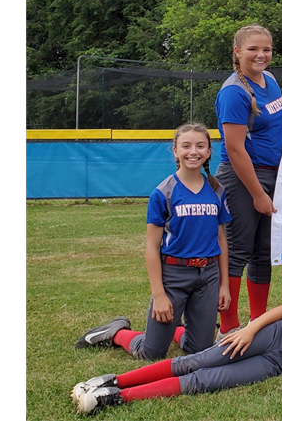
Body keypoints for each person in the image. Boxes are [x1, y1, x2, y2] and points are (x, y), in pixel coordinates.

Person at [70, 263, 282, 414]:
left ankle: (115, 398)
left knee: (206, 380)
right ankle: (111, 380)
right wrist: (249, 329)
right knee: (197, 360)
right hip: (273, 333)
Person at [76, 124, 232, 360]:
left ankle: (178, 330)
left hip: (207, 275)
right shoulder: (163, 192)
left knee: (199, 351)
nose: (194, 152)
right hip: (174, 275)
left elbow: (221, 238)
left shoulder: (217, 189)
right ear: (175, 151)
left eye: (201, 146)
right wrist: (159, 295)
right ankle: (117, 332)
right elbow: (152, 247)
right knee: (151, 352)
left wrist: (224, 285)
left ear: (209, 152)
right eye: (186, 146)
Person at [212, 25, 282, 341]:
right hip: (244, 177)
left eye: (266, 49)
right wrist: (257, 193)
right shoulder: (234, 92)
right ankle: (227, 327)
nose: (261, 55)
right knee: (238, 250)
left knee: (263, 251)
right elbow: (234, 147)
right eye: (253, 49)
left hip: (273, 176)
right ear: (237, 51)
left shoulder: (268, 80)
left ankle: (257, 323)